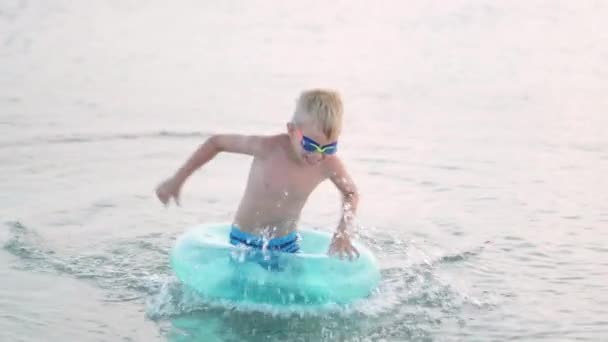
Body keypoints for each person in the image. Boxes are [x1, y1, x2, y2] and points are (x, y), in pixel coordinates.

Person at [156, 89, 360, 260]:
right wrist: (177, 181)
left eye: (329, 147)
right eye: (310, 145)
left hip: (287, 245)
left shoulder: (329, 164)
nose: (317, 155)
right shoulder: (268, 148)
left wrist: (343, 233)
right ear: (291, 130)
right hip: (243, 241)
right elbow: (217, 143)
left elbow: (351, 193)